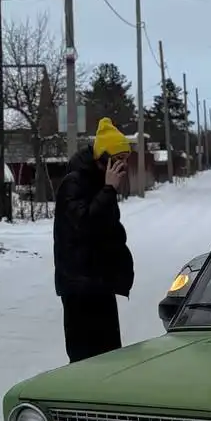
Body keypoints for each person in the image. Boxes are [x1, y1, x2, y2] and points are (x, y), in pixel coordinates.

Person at [54, 117, 135, 363]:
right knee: (84, 359)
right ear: (104, 158)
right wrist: (109, 190)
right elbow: (85, 226)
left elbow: (109, 230)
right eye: (118, 160)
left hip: (101, 283)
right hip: (80, 286)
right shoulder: (74, 183)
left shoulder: (101, 183)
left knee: (110, 356)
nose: (123, 166)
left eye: (125, 160)